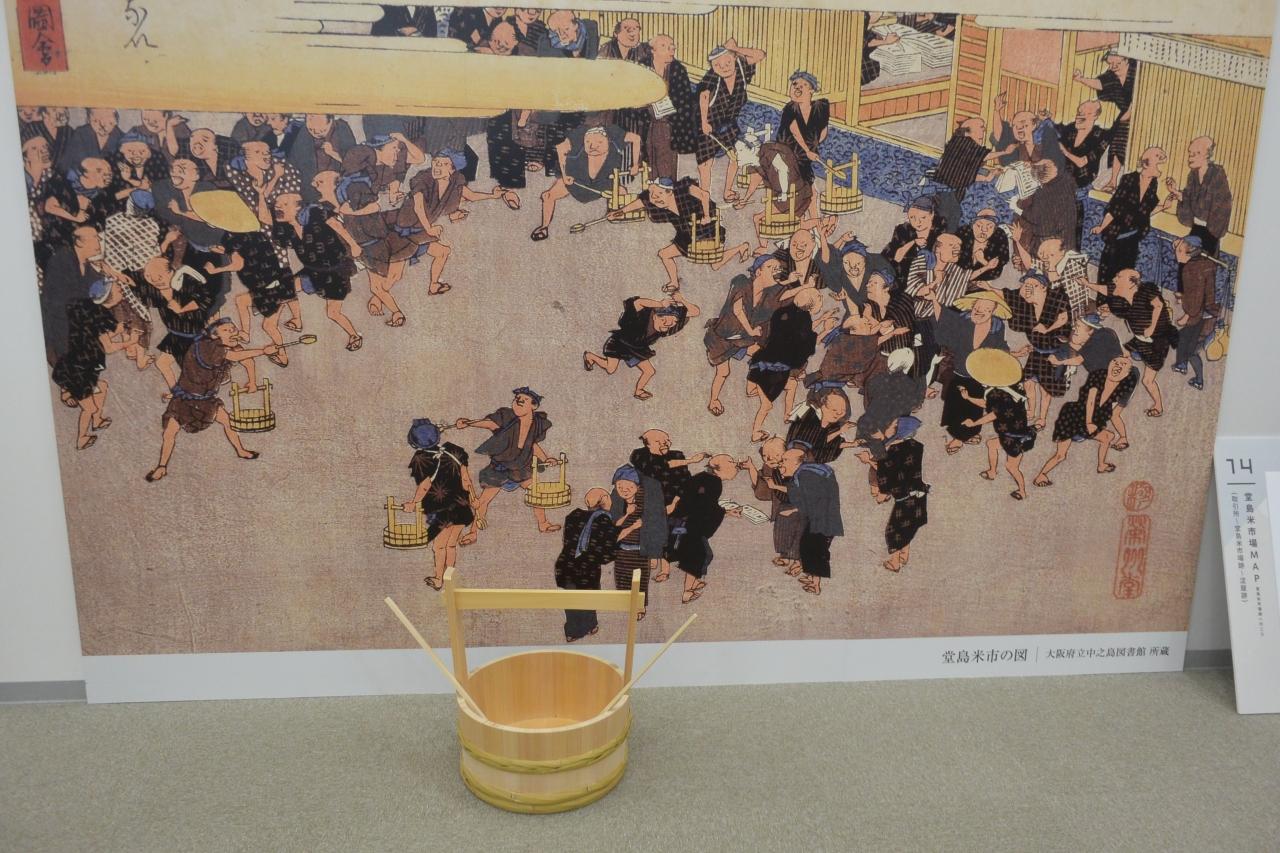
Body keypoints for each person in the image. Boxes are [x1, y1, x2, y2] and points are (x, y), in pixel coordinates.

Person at [145, 318, 277, 482]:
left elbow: (247, 360)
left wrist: (252, 381)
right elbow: (236, 356)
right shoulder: (206, 346)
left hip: (207, 400)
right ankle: (162, 467)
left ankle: (241, 450)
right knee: (170, 432)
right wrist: (263, 351)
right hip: (185, 399)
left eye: (234, 329)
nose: (232, 332)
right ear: (215, 336)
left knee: (228, 422)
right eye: (226, 330)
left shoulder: (228, 346)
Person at [608, 176, 748, 292]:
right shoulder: (656, 202)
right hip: (686, 236)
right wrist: (619, 212)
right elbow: (641, 202)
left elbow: (704, 195)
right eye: (653, 195)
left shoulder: (683, 190)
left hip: (708, 232)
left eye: (659, 194)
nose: (655, 199)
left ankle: (742, 247)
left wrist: (706, 216)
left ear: (670, 192)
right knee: (664, 254)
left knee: (715, 264)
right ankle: (674, 283)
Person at [455, 387, 563, 537]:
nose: (519, 401)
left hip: (521, 469)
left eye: (524, 400)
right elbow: (490, 423)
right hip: (500, 469)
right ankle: (473, 533)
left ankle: (543, 524)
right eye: (517, 399)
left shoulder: (537, 423)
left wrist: (545, 459)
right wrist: (469, 423)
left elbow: (532, 444)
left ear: (534, 405)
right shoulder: (507, 417)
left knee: (536, 493)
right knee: (482, 501)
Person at [52, 278, 138, 450]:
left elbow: (100, 335)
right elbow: (108, 347)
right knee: (89, 408)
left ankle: (97, 420)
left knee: (102, 387)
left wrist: (119, 329)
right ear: (109, 296)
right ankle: (81, 439)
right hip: (79, 372)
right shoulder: (99, 317)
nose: (121, 290)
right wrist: (130, 342)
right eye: (118, 289)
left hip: (81, 365)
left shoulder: (93, 309)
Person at [1034, 354, 1138, 487]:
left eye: (1123, 365)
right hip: (1073, 416)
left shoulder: (1123, 386)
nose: (1117, 365)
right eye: (1115, 362)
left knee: (1108, 437)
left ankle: (1101, 465)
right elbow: (1091, 400)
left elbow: (1113, 410)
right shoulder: (1098, 375)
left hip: (1093, 420)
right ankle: (1041, 475)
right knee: (1061, 455)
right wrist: (1089, 422)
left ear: (1127, 373)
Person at [704, 255, 785, 416]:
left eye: (777, 269)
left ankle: (751, 386)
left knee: (761, 354)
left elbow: (783, 294)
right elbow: (738, 310)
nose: (776, 271)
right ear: (758, 271)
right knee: (723, 372)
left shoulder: (766, 295)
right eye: (771, 267)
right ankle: (714, 400)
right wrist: (751, 331)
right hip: (721, 337)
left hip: (740, 339)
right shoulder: (742, 282)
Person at [1089, 268, 1177, 418]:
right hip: (1139, 340)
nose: (1115, 279)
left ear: (1131, 283)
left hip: (1158, 343)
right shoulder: (1122, 301)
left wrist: (1151, 327)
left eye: (1119, 277)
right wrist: (1087, 285)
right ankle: (1111, 393)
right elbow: (1107, 290)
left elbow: (1158, 306)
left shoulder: (1147, 290)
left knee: (1147, 381)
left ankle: (1158, 406)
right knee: (1121, 355)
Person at [747, 288, 831, 443]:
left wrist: (821, 320)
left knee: (791, 385)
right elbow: (806, 346)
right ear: (811, 304)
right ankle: (755, 432)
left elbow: (800, 331)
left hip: (762, 360)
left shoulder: (784, 312)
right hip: (775, 370)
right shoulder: (804, 320)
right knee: (766, 405)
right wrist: (825, 330)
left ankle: (787, 414)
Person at [531, 125, 640, 241]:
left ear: (607, 141)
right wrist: (565, 175)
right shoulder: (577, 138)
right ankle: (544, 227)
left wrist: (635, 164)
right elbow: (560, 148)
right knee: (548, 195)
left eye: (599, 142)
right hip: (576, 182)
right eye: (588, 142)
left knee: (623, 194)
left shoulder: (615, 139)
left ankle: (620, 231)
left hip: (604, 185)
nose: (593, 146)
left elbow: (636, 138)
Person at [402, 418, 476, 590]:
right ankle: (450, 580)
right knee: (451, 545)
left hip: (442, 510)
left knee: (439, 546)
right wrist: (473, 500)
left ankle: (438, 579)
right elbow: (466, 481)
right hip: (462, 506)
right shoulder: (455, 450)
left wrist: (413, 503)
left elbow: (425, 485)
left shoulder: (421, 458)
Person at [584, 292, 699, 401]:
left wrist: (682, 300)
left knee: (649, 371)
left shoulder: (670, 323)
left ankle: (638, 391)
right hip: (619, 343)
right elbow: (637, 302)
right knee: (610, 369)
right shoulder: (643, 316)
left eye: (673, 321)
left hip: (637, 348)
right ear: (655, 316)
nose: (667, 324)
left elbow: (695, 312)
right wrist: (660, 304)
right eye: (663, 319)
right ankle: (590, 356)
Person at [935, 289, 1011, 454]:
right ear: (972, 305)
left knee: (974, 406)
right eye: (977, 307)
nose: (980, 311)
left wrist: (1008, 355)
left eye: (986, 309)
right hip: (959, 370)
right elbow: (947, 336)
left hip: (980, 375)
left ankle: (968, 433)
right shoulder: (963, 321)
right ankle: (957, 435)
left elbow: (1000, 346)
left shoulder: (997, 327)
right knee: (955, 404)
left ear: (992, 311)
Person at [630, 429, 704, 585]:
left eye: (666, 440)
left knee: (669, 535)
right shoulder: (639, 455)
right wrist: (691, 461)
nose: (665, 444)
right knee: (650, 531)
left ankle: (665, 569)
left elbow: (685, 481)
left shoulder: (677, 455)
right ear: (647, 444)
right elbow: (658, 466)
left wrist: (675, 502)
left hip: (673, 502)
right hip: (649, 502)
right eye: (659, 441)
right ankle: (651, 559)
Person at [696, 40, 767, 201]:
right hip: (709, 122)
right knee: (706, 162)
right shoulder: (712, 77)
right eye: (717, 65)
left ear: (734, 58)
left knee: (734, 156)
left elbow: (760, 54)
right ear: (713, 66)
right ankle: (704, 195)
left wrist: (735, 48)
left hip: (729, 122)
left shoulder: (742, 68)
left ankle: (727, 190)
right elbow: (704, 96)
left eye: (727, 62)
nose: (724, 67)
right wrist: (704, 122)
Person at [959, 348, 1035, 500]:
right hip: (1013, 432)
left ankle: (1022, 491)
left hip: (1014, 436)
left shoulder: (996, 394)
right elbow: (987, 404)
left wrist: (974, 423)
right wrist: (968, 398)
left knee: (1011, 467)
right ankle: (992, 472)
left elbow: (993, 413)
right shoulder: (1010, 386)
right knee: (991, 444)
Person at [667, 454, 742, 604]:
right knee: (700, 555)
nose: (736, 466)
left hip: (679, 524)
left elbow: (703, 504)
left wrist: (725, 512)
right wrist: (724, 512)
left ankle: (694, 582)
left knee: (697, 554)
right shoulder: (714, 482)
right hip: (688, 527)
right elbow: (705, 507)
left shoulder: (703, 477)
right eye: (732, 463)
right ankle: (687, 591)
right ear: (718, 469)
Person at [1092, 147, 1171, 287]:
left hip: (1132, 240)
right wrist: (1101, 227)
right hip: (1116, 237)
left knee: (1125, 278)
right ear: (1146, 164)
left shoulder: (1153, 184)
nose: (1159, 169)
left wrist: (1164, 207)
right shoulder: (1129, 179)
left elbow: (1145, 212)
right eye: (1157, 163)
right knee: (1108, 275)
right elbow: (1114, 208)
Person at [554, 487, 623, 643]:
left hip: (567, 564)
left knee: (571, 598)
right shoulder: (603, 519)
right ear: (605, 499)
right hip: (587, 567)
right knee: (588, 597)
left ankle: (572, 632)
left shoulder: (574, 515)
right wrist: (626, 529)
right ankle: (588, 627)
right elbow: (607, 551)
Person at [1006, 272, 1070, 431]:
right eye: (1026, 285)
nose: (1028, 288)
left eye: (1032, 285)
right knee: (1028, 383)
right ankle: (1030, 410)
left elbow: (1064, 319)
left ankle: (1042, 418)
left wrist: (1047, 328)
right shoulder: (1027, 305)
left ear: (1043, 287)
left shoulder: (1055, 300)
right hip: (1036, 352)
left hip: (1053, 353)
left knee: (1045, 388)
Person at [779, 447, 843, 595]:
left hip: (823, 522)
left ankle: (816, 585)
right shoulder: (805, 472)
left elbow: (811, 500)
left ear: (797, 462)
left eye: (785, 460)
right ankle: (812, 578)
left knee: (815, 549)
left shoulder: (807, 475)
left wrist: (794, 510)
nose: (781, 463)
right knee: (808, 546)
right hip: (820, 519)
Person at [1045, 101, 1110, 247]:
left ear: (1095, 116)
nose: (1081, 116)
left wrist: (1065, 152)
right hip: (1061, 185)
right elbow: (1055, 130)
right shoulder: (1070, 130)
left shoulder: (1101, 136)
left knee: (1073, 229)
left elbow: (1082, 162)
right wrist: (1048, 119)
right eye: (1080, 112)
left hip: (1079, 188)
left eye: (1086, 113)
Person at [1074, 51, 1137, 193]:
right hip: (1124, 117)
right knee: (1115, 143)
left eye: (1117, 63)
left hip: (1140, 114)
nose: (1113, 66)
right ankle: (1113, 181)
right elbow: (1100, 83)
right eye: (1110, 63)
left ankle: (1117, 182)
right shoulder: (1112, 75)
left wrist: (1130, 111)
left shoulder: (1137, 72)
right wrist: (1081, 79)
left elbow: (1140, 97)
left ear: (1127, 60)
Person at [741, 436, 802, 575]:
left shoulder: (796, 466)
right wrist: (751, 468)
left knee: (798, 532)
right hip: (782, 503)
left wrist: (776, 486)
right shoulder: (768, 468)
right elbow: (762, 489)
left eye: (776, 455)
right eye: (765, 456)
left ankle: (798, 561)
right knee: (781, 530)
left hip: (799, 505)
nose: (769, 459)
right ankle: (785, 556)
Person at [875, 416, 929, 573]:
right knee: (908, 526)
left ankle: (895, 562)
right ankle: (904, 556)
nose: (890, 428)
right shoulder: (917, 446)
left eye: (894, 426)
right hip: (919, 494)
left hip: (905, 496)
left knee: (894, 530)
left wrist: (883, 491)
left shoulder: (894, 450)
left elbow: (887, 472)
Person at [644, 34, 700, 180]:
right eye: (665, 46)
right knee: (648, 162)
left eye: (672, 47)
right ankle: (652, 187)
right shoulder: (642, 66)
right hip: (645, 121)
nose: (671, 49)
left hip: (669, 123)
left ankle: (666, 186)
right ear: (653, 50)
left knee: (666, 160)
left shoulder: (678, 69)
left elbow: (685, 101)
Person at [1167, 136, 1233, 258]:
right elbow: (1188, 200)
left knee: (1201, 264)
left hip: (1211, 234)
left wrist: (1209, 231)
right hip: (1196, 230)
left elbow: (1223, 207)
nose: (1190, 157)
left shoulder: (1217, 174)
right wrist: (1176, 192)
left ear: (1207, 155)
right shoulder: (1193, 175)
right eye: (1190, 153)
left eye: (1195, 154)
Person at [1170, 236, 1219, 391]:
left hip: (1201, 316)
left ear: (1190, 252)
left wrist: (1186, 316)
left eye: (1179, 250)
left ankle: (1198, 379)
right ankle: (1181, 364)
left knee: (1192, 349)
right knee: (1183, 339)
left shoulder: (1191, 269)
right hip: (1205, 311)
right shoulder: (1204, 264)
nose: (1176, 253)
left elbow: (1195, 300)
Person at [776, 70, 829, 204]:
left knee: (810, 192)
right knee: (806, 191)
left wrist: (814, 147)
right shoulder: (791, 108)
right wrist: (808, 151)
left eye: (803, 85)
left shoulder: (820, 107)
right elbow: (794, 131)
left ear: (812, 90)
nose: (797, 88)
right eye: (794, 84)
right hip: (786, 155)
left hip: (804, 158)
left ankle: (814, 218)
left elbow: (823, 130)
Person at [608, 465, 651, 620]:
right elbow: (614, 531)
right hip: (622, 551)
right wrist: (628, 517)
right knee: (622, 579)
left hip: (640, 551)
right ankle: (626, 605)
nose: (624, 490)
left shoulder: (645, 503)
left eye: (629, 487)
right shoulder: (616, 503)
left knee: (641, 581)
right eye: (620, 487)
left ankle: (640, 606)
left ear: (637, 487)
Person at [882, 196, 944, 287]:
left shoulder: (940, 233)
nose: (917, 222)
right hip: (903, 280)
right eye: (912, 217)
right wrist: (913, 242)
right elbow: (897, 258)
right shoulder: (903, 231)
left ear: (932, 215)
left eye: (923, 217)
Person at [785, 386, 852, 464]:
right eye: (834, 409)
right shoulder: (808, 416)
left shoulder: (835, 426)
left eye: (843, 410)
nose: (838, 413)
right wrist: (839, 431)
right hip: (795, 460)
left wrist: (853, 444)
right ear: (821, 405)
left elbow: (834, 446)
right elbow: (813, 444)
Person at [956, 209, 1009, 283]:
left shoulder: (999, 238)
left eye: (990, 227)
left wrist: (983, 261)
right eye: (979, 225)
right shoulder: (963, 234)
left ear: (994, 229)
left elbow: (996, 271)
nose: (984, 230)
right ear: (972, 225)